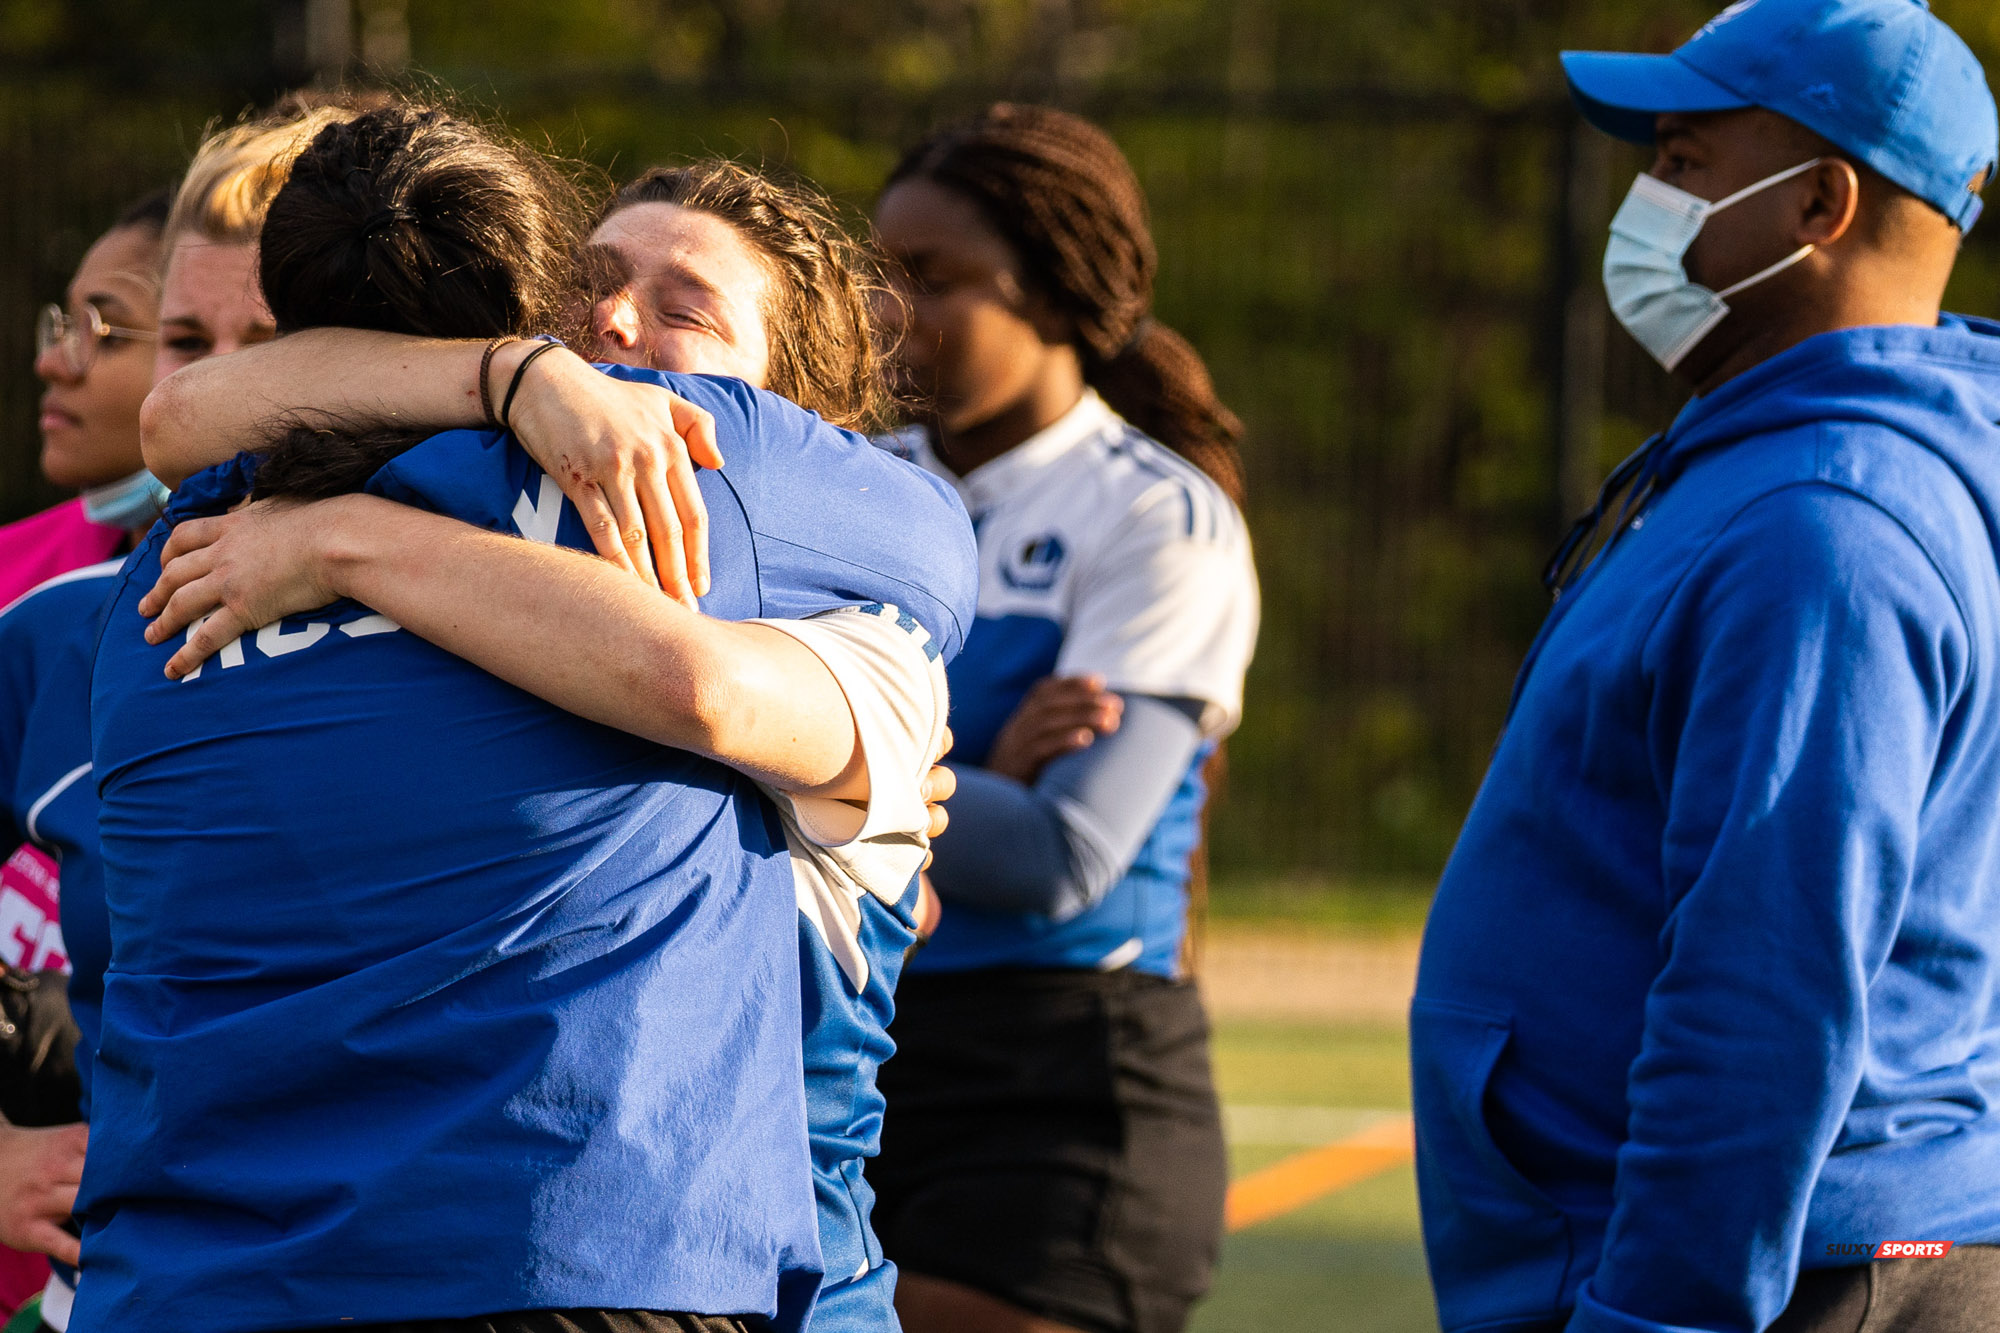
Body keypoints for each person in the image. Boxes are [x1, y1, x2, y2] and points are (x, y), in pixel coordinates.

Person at [78, 104, 975, 1333]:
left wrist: (349, 541)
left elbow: (700, 687)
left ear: (803, 407)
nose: (612, 327)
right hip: (593, 1265)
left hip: (786, 1287)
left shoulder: (782, 536)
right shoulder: (270, 528)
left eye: (683, 311)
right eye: (588, 290)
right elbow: (183, 415)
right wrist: (511, 379)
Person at [1412, 2, 2000, 1331]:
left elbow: (1765, 988)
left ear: (1820, 205)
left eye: (1683, 161)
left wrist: (1659, 1317)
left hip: (1800, 1279)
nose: (1645, 199)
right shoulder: (1776, 468)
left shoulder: (1828, 525)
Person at [864, 104, 1259, 1333]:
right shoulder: (853, 480)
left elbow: (1057, 856)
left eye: (929, 281)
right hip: (866, 1049)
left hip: (1064, 1085)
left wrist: (811, 750)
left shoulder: (1157, 517)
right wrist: (978, 767)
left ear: (1045, 289)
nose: (888, 314)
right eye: (876, 278)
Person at [0, 100, 368, 1333]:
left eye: (267, 338)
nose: (214, 385)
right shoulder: (55, 634)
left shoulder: (518, 618)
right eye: (180, 337)